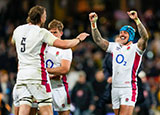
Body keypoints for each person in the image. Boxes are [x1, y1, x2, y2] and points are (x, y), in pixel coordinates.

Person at [11, 5, 89, 115]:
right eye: (45, 15)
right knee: (46, 108)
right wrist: (78, 39)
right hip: (37, 76)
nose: (45, 17)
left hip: (22, 76)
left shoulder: (18, 30)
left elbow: (13, 43)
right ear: (41, 18)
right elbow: (64, 44)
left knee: (24, 107)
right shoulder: (41, 32)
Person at [89, 10, 149, 115]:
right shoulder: (114, 47)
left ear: (130, 35)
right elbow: (98, 40)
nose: (121, 34)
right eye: (120, 32)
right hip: (115, 88)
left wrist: (136, 20)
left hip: (128, 88)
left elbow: (145, 37)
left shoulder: (136, 48)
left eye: (124, 33)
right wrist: (93, 24)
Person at [45, 19, 73, 115]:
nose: (52, 35)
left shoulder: (65, 48)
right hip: (43, 85)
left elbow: (64, 69)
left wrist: (46, 71)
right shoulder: (43, 46)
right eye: (50, 32)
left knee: (64, 113)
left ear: (61, 33)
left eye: (55, 32)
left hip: (58, 85)